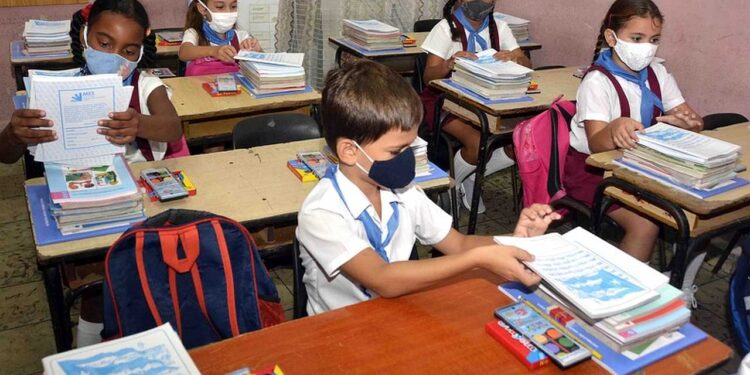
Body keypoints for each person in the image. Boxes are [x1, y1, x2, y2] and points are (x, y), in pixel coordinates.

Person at [296, 60, 560, 315]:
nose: (408, 158)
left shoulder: (402, 190)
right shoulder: (322, 212)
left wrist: (518, 243)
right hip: (340, 329)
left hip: (398, 313)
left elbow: (459, 244)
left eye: (410, 146)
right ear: (350, 151)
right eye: (396, 150)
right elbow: (382, 278)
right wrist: (479, 259)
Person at [567, 0, 704, 305]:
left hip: (645, 165)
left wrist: (688, 124)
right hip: (595, 172)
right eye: (637, 39)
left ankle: (680, 282)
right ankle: (615, 297)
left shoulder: (658, 73)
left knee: (700, 211)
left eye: (653, 40)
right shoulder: (597, 81)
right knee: (646, 223)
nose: (647, 48)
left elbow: (692, 118)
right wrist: (614, 129)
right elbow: (595, 143)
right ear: (612, 38)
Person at [421, 0, 531, 213]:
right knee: (477, 142)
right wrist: (449, 63)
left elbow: (527, 65)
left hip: (489, 99)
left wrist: (515, 58)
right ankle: (450, 185)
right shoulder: (445, 29)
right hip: (445, 99)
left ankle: (470, 176)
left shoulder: (499, 26)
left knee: (520, 143)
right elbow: (428, 77)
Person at [179, 0, 262, 75]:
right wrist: (214, 51)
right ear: (203, 9)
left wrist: (257, 50)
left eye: (233, 6)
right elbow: (184, 52)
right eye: (220, 7)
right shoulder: (194, 33)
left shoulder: (241, 36)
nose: (228, 12)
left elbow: (261, 66)